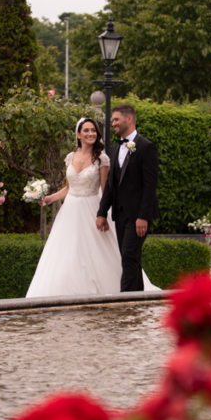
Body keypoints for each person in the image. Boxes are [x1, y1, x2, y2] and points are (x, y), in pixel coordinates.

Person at [26, 118, 158, 298]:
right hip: (70, 212)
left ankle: (120, 293)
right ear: (78, 134)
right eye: (86, 130)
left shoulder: (102, 159)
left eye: (93, 131)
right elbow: (68, 188)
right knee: (66, 254)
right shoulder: (70, 157)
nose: (91, 134)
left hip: (92, 209)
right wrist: (50, 198)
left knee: (98, 255)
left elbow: (106, 190)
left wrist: (103, 214)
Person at [97, 104, 161, 293]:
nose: (113, 124)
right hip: (120, 215)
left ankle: (124, 301)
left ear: (129, 119)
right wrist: (101, 212)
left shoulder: (146, 147)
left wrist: (143, 216)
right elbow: (110, 185)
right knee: (131, 258)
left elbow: (150, 186)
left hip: (138, 216)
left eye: (116, 120)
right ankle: (137, 301)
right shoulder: (114, 150)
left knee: (129, 255)